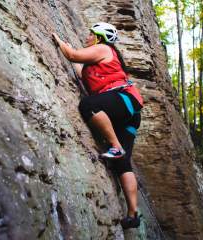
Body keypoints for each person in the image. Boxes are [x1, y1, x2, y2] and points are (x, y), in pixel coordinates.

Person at [52, 22, 144, 229]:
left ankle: (115, 147)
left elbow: (73, 56)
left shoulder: (104, 48)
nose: (87, 37)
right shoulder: (97, 59)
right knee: (123, 164)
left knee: (89, 105)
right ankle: (133, 214)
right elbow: (79, 67)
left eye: (90, 34)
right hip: (128, 111)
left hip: (123, 100)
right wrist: (71, 52)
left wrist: (58, 41)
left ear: (99, 37)